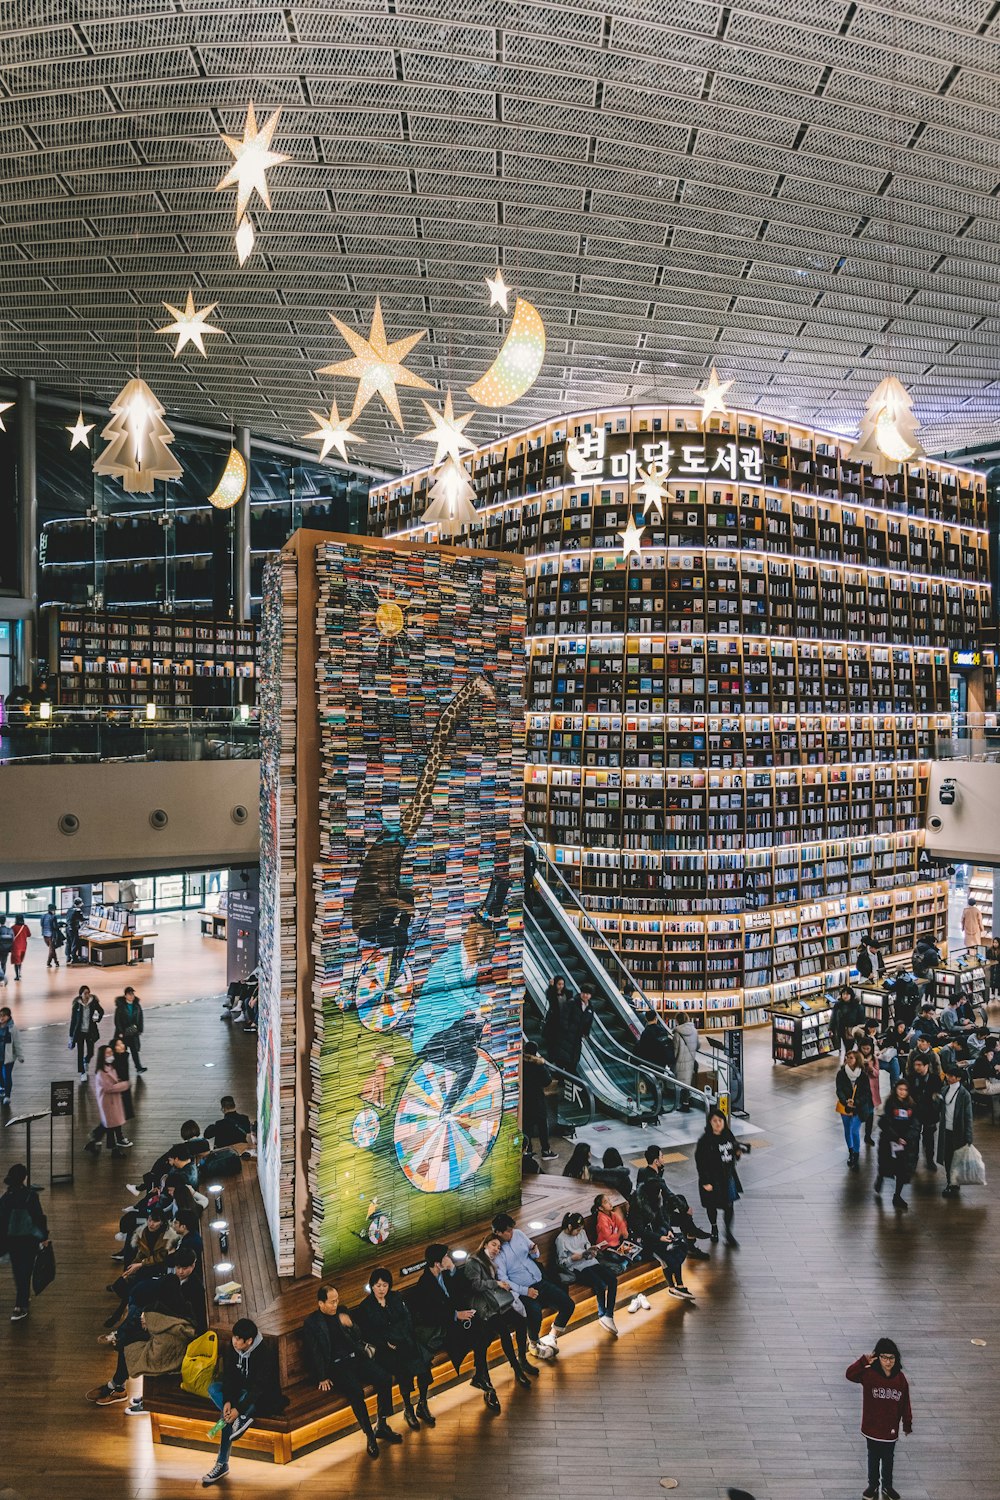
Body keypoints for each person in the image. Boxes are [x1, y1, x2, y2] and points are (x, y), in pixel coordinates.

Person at [304, 1284, 401, 1454]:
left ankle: (382, 1424)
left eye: (337, 1301)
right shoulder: (312, 1323)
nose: (335, 1305)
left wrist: (350, 1324)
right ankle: (369, 1434)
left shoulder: (342, 1311)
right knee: (356, 1392)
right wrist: (322, 1377)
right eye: (331, 1302)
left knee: (385, 1378)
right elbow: (314, 1352)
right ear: (321, 1303)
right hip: (337, 1366)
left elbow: (358, 1335)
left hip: (356, 1358)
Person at [202, 1317, 286, 1486]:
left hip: (261, 1396)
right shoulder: (232, 1348)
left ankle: (222, 1463)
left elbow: (259, 1388)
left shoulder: (264, 1353)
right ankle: (239, 1421)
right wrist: (227, 1401)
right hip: (240, 1393)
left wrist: (238, 1409)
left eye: (239, 1339)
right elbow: (229, 1378)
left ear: (249, 1341)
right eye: (234, 1337)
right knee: (213, 1389)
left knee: (230, 1416)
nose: (234, 1341)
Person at [406, 1244, 496, 1404]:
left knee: (484, 1329)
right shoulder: (424, 1284)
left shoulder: (446, 1275)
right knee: (478, 1335)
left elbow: (462, 1289)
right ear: (437, 1263)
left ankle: (481, 1376)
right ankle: (482, 1378)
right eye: (446, 1257)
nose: (449, 1258)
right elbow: (429, 1315)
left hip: (455, 1321)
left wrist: (453, 1269)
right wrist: (456, 1315)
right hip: (443, 1329)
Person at [356, 1267, 435, 1429]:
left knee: (424, 1362)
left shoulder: (396, 1297)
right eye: (378, 1286)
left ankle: (422, 1402)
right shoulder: (366, 1306)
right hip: (385, 1349)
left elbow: (407, 1319)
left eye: (385, 1285)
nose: (381, 1289)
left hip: (405, 1341)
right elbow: (368, 1333)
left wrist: (404, 1336)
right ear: (371, 1286)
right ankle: (408, 1408)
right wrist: (386, 1343)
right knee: (403, 1369)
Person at [494, 1211, 576, 1361]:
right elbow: (504, 1280)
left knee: (568, 1304)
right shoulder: (497, 1250)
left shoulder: (518, 1234)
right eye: (508, 1231)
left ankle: (552, 1337)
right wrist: (526, 1291)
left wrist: (534, 1251)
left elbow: (535, 1255)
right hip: (521, 1291)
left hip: (539, 1279)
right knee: (535, 1313)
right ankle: (533, 1344)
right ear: (498, 1232)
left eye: (512, 1229)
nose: (512, 1233)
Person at [461, 1233, 533, 1387]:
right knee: (504, 1332)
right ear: (485, 1244)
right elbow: (475, 1285)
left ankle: (522, 1358)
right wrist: (497, 1284)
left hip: (496, 1303)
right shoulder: (473, 1261)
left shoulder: (490, 1262)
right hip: (485, 1308)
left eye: (499, 1247)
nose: (496, 1249)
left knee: (521, 1321)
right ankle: (517, 1369)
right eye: (493, 1245)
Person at [846, 1340, 912, 1500]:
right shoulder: (869, 1375)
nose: (888, 1361)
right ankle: (873, 1485)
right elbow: (850, 1374)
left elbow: (905, 1403)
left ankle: (887, 1486)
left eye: (892, 1358)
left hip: (890, 1429)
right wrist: (863, 1361)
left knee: (888, 1458)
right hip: (872, 1428)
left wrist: (907, 1423)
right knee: (873, 1457)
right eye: (884, 1357)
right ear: (878, 1357)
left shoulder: (900, 1379)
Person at [0, 1164, 50, 1322]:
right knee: (26, 1270)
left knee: (17, 1271)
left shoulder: (6, 1198)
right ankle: (21, 1304)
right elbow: (38, 1218)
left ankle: (22, 1300)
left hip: (12, 1241)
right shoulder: (31, 1196)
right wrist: (44, 1237)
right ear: (24, 1178)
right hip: (29, 1240)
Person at [555, 1210, 619, 1334]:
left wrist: (592, 1251)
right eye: (577, 1230)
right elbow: (561, 1263)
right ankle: (602, 1314)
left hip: (590, 1261)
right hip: (577, 1268)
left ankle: (609, 1314)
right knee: (599, 1284)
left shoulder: (582, 1232)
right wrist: (572, 1258)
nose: (579, 1232)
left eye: (580, 1229)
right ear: (569, 1227)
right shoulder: (561, 1240)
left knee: (612, 1280)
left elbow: (587, 1245)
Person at [627, 1179, 691, 1298]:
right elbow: (639, 1231)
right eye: (659, 1191)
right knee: (666, 1257)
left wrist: (669, 1230)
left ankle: (680, 1285)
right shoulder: (637, 1206)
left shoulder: (655, 1200)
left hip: (657, 1235)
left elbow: (661, 1219)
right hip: (644, 1242)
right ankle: (672, 1287)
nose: (661, 1194)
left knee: (676, 1249)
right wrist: (660, 1237)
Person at [695, 1108, 743, 1245]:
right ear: (709, 1122)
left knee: (729, 1205)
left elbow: (733, 1151)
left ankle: (728, 1232)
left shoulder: (728, 1135)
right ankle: (714, 1227)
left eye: (720, 1120)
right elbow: (700, 1162)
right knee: (712, 1205)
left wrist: (737, 1154)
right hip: (712, 1179)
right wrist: (705, 1181)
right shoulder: (705, 1141)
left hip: (727, 1177)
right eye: (714, 1121)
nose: (718, 1123)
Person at [874, 1081, 920, 1208]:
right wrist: (895, 1137)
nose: (902, 1092)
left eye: (905, 1089)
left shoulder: (912, 1105)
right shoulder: (889, 1104)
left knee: (902, 1170)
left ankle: (897, 1196)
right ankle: (880, 1177)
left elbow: (915, 1124)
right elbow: (884, 1122)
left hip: (905, 1144)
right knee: (885, 1164)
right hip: (889, 1142)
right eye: (900, 1089)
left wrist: (907, 1138)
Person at [938, 1060, 974, 1197]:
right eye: (947, 1075)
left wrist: (969, 1137)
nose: (948, 1077)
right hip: (946, 1130)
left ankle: (954, 1183)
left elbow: (968, 1117)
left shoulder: (964, 1095)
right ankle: (951, 1182)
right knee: (947, 1157)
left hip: (958, 1132)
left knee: (955, 1158)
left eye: (951, 1076)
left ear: (958, 1078)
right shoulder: (944, 1090)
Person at [91, 1043, 132, 1157]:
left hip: (113, 1102)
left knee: (110, 1126)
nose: (111, 1055)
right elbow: (109, 1088)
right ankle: (113, 1150)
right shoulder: (101, 1073)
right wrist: (124, 1085)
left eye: (111, 1052)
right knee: (110, 1126)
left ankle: (95, 1143)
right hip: (108, 1103)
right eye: (108, 1053)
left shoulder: (110, 1068)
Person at [836, 1049, 872, 1169]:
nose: (848, 1059)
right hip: (845, 1106)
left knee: (854, 1130)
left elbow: (866, 1093)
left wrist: (855, 1102)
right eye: (847, 1057)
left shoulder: (863, 1075)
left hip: (859, 1107)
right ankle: (851, 1151)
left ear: (857, 1060)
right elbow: (839, 1090)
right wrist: (846, 1101)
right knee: (847, 1128)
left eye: (851, 1057)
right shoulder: (841, 1073)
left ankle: (856, 1154)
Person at [906, 1054, 943, 1172]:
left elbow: (939, 1097)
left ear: (926, 1066)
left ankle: (929, 1160)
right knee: (913, 1139)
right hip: (915, 1113)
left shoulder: (935, 1079)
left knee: (929, 1139)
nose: (916, 1067)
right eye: (915, 1065)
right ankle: (913, 1161)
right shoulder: (910, 1078)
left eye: (919, 1065)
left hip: (930, 1113)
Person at [522, 1042, 557, 1160]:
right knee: (542, 1125)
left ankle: (528, 1150)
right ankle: (545, 1150)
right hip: (537, 1099)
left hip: (525, 1099)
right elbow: (547, 1081)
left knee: (527, 1126)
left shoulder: (521, 1063)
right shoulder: (539, 1065)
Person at [69, 986, 104, 1080]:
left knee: (91, 1052)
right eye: (85, 993)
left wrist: (97, 1019)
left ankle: (86, 1060)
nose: (87, 995)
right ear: (80, 994)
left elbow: (101, 1011)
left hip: (90, 1032)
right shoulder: (77, 1004)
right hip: (79, 1032)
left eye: (88, 992)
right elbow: (73, 1020)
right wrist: (71, 1035)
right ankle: (82, 1072)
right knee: (80, 1052)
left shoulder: (93, 1002)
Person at [558, 986, 594, 1073]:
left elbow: (589, 1021)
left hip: (578, 1036)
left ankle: (570, 1074)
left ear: (590, 996)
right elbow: (564, 1017)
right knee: (565, 1056)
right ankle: (562, 1076)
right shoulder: (572, 1003)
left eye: (588, 994)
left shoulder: (590, 1007)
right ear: (581, 993)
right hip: (567, 1035)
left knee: (574, 1056)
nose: (585, 995)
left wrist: (586, 1033)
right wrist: (566, 1029)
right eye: (583, 993)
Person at [668, 1009, 699, 1109]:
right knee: (687, 1082)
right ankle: (687, 1102)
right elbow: (697, 1045)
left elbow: (675, 1050)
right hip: (691, 1060)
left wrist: (671, 1061)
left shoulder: (677, 1033)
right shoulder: (694, 1030)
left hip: (680, 1062)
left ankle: (682, 1104)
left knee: (679, 1083)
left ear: (677, 1021)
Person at [856, 1040, 882, 1146]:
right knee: (857, 1115)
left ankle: (868, 1135)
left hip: (871, 1091)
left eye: (868, 1048)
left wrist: (870, 1068)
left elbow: (876, 1073)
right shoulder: (856, 1058)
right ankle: (856, 1137)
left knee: (870, 1114)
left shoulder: (874, 1059)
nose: (866, 1051)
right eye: (864, 1048)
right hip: (860, 1090)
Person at [830, 985, 865, 1054]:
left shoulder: (857, 1006)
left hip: (851, 1031)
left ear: (851, 995)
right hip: (840, 1029)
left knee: (850, 1048)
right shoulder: (838, 1005)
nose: (845, 996)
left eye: (847, 994)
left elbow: (861, 1020)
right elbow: (833, 1017)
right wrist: (831, 1029)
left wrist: (857, 1029)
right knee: (840, 1048)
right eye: (843, 994)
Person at [0, 1007, 24, 1106]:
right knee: (1, 1075)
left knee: (7, 1076)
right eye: (0, 1016)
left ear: (8, 1016)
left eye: (3, 1016)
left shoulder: (12, 1028)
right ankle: (2, 1089)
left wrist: (20, 1056)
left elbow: (17, 1043)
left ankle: (7, 1096)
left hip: (8, 1057)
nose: (1, 1018)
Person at [542, 975, 569, 1054]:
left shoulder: (567, 993)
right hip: (553, 1021)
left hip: (563, 1021)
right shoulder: (552, 993)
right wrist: (551, 986)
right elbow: (549, 997)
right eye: (559, 984)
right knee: (552, 1040)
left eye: (562, 984)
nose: (561, 986)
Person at [40, 903, 62, 969]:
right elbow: (55, 927)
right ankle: (48, 963)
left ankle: (56, 962)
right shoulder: (53, 917)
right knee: (51, 949)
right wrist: (60, 925)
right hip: (51, 935)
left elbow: (42, 924)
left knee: (52, 949)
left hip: (44, 934)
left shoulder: (43, 916)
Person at [66, 898, 86, 965]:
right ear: (79, 903)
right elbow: (82, 919)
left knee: (69, 943)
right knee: (75, 943)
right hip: (73, 929)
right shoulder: (77, 910)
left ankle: (68, 957)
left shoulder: (69, 909)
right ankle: (74, 958)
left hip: (68, 928)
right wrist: (89, 918)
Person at [9, 916, 28, 982]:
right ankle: (19, 973)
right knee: (20, 960)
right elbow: (29, 934)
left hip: (16, 947)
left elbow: (10, 936)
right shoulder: (25, 927)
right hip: (24, 946)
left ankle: (17, 975)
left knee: (16, 961)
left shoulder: (13, 927)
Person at [0, 916, 13, 986]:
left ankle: (2, 977)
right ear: (5, 921)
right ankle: (2, 979)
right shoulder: (9, 930)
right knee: (3, 964)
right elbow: (12, 939)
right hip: (6, 950)